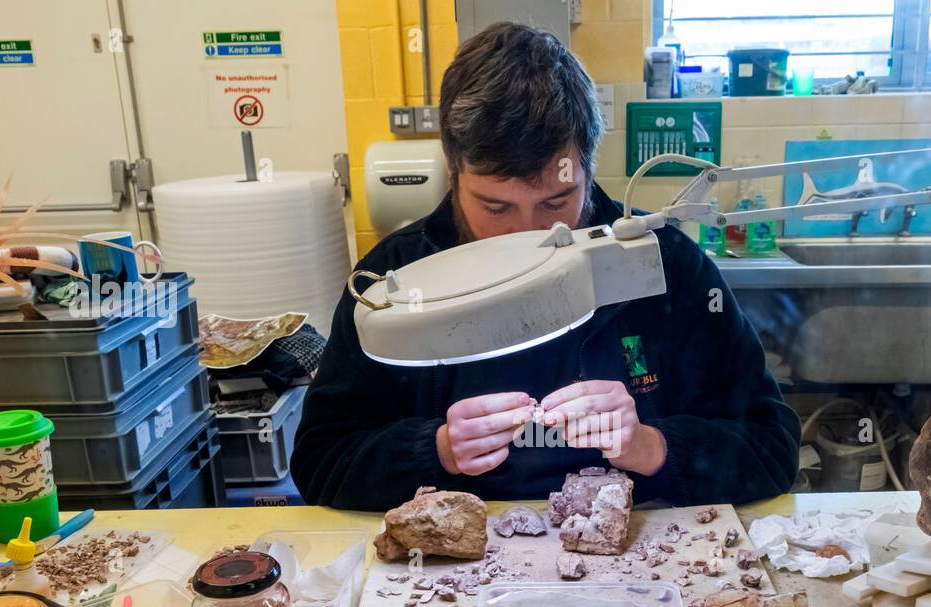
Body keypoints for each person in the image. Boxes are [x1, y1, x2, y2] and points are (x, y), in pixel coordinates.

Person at [292, 22, 799, 511]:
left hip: (635, 558)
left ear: (588, 167)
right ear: (452, 167)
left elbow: (771, 447)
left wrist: (651, 446)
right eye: (496, 208)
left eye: (556, 202)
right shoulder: (396, 280)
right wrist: (436, 451)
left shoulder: (665, 266)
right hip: (456, 568)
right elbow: (320, 461)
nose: (529, 235)